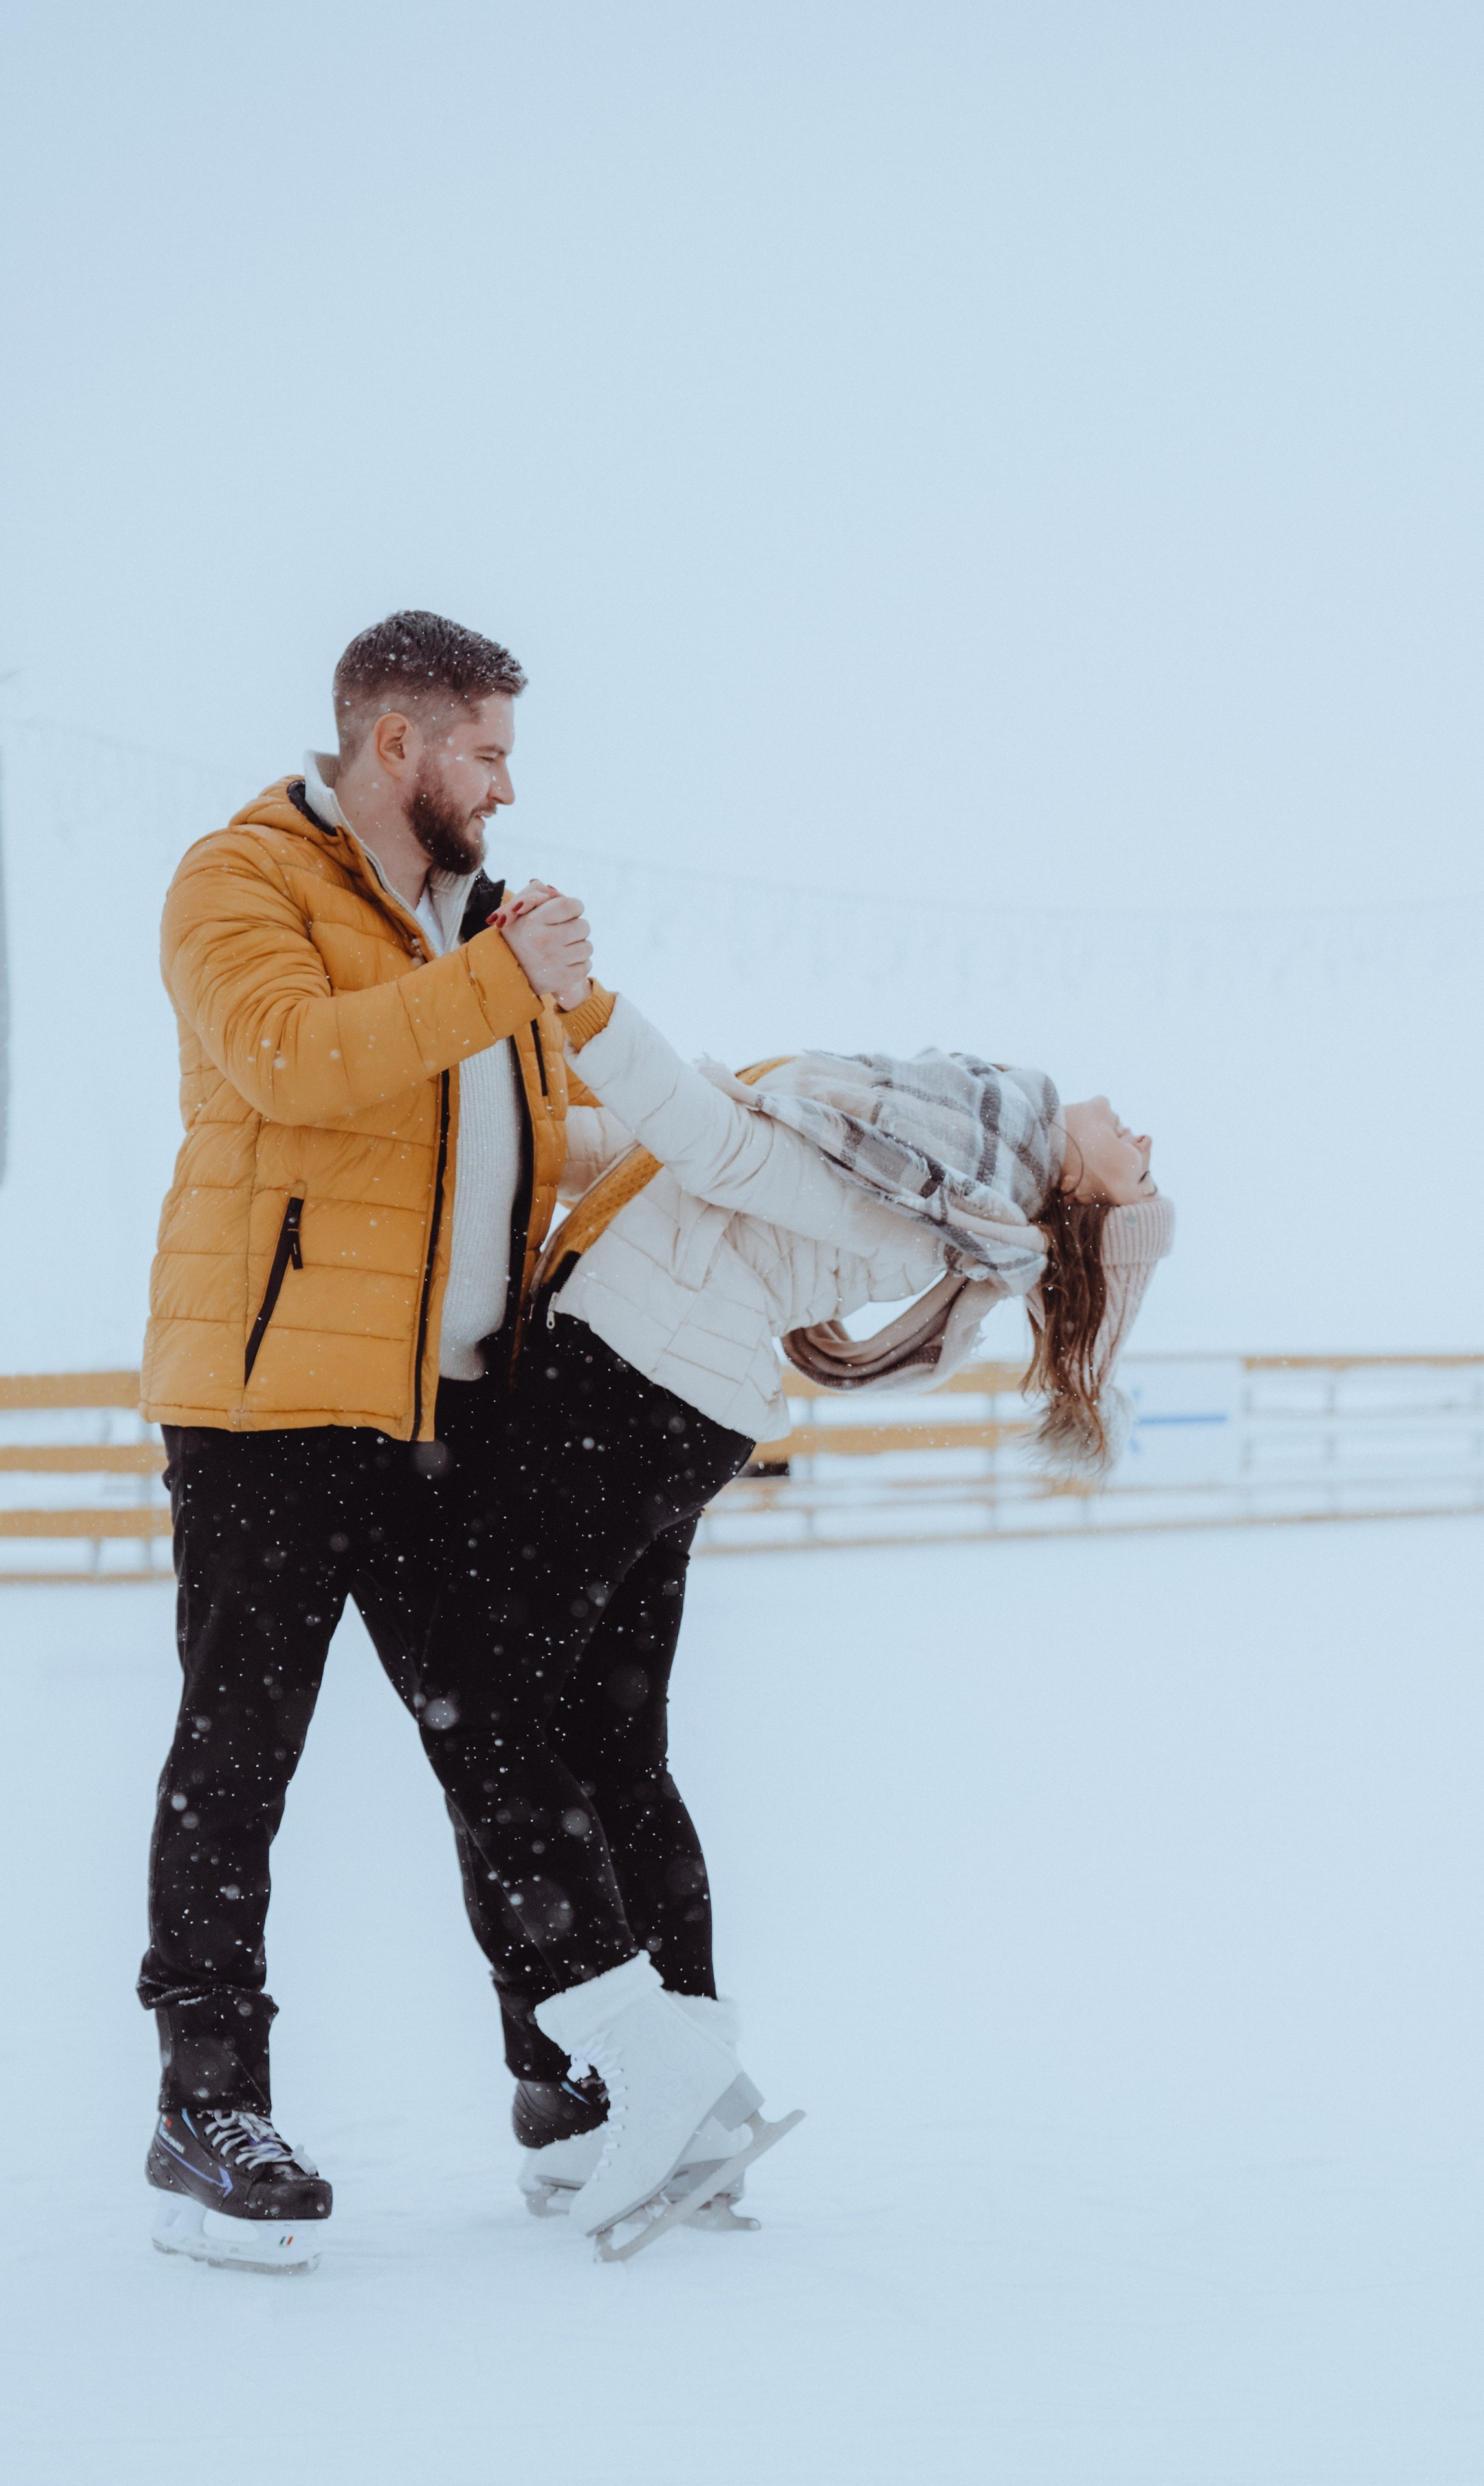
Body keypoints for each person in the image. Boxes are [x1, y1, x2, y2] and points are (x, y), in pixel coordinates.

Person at [408, 883, 1175, 2245]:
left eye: (1143, 1172)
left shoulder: (941, 1190)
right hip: (655, 1408)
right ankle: (675, 2083)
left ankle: (618, 2054)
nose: (1145, 1137)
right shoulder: (940, 1131)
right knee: (609, 1745)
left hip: (619, 1403)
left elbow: (712, 1148)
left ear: (1073, 1197)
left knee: (492, 1720)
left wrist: (580, 1006)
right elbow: (662, 1164)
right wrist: (499, 1128)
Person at [136, 610, 606, 2276]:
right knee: (240, 1757)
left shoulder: (481, 923)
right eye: (482, 749)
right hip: (269, 1410)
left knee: (505, 1749)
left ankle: (571, 2089)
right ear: (394, 744)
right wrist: (494, 981)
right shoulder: (241, 880)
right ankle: (207, 2105)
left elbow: (592, 1119)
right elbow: (293, 1063)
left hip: (445, 1416)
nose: (503, 783)